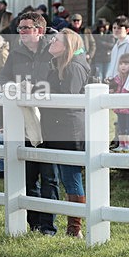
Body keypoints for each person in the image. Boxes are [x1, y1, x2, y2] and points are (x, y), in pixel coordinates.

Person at [0, 11, 58, 234]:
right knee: (29, 176)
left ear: (39, 31)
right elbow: (2, 78)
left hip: (50, 122)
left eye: (25, 28)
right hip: (24, 122)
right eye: (19, 28)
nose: (20, 31)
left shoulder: (53, 50)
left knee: (49, 176)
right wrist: (11, 87)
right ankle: (34, 224)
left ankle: (49, 226)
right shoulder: (15, 53)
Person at [43, 28, 89, 238]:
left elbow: (68, 101)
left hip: (70, 129)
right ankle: (73, 227)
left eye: (56, 40)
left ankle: (75, 228)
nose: (52, 41)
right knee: (66, 176)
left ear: (67, 45)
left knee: (71, 177)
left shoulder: (74, 68)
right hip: (59, 127)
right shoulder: (59, 65)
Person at [109, 54, 129, 152]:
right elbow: (113, 88)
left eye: (126, 63)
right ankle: (122, 144)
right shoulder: (117, 79)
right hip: (119, 107)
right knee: (121, 127)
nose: (123, 66)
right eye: (121, 64)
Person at [106, 15, 129, 80]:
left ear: (127, 30)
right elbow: (112, 64)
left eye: (119, 28)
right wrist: (108, 76)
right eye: (114, 28)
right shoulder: (115, 46)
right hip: (113, 81)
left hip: (123, 82)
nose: (116, 30)